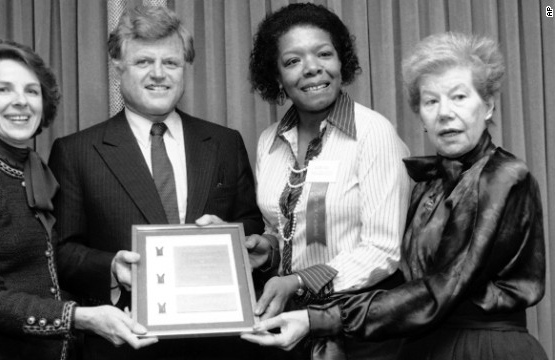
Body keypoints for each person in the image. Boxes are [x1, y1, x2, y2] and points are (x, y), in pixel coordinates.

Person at [242, 31, 548, 360]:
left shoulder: (504, 177)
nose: (444, 112)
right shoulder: (430, 183)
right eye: (431, 101)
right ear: (421, 117)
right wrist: (273, 251)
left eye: (459, 97)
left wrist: (318, 318)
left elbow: (440, 288)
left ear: (488, 105)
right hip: (423, 344)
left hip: (484, 349)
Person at [47, 5, 264, 360]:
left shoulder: (225, 143)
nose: (159, 74)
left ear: (185, 68)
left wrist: (231, 234)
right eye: (144, 62)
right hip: (126, 343)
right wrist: (112, 267)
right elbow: (62, 250)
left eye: (171, 63)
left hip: (218, 345)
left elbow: (251, 222)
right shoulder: (76, 152)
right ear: (119, 67)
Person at [0, 40, 157, 360]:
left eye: (32, 91)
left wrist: (113, 267)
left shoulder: (37, 172)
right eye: (3, 90)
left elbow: (49, 265)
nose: (21, 102)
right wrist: (80, 318)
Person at [244, 3, 410, 359]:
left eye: (324, 53)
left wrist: (300, 280)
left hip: (361, 326)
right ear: (276, 76)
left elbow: (382, 250)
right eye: (292, 61)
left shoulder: (374, 133)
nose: (313, 68)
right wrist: (268, 247)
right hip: (291, 325)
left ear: (341, 62)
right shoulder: (268, 142)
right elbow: (287, 227)